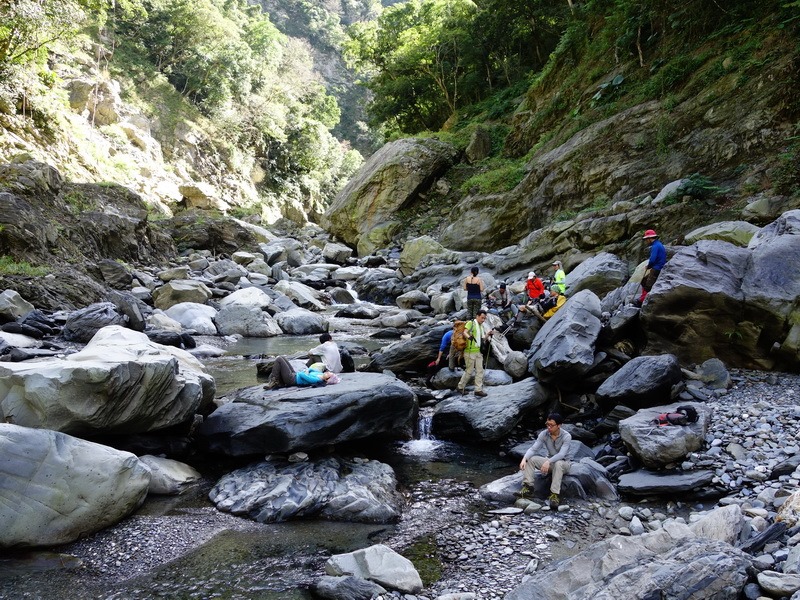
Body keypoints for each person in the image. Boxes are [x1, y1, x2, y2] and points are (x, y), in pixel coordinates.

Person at [518, 412, 572, 510]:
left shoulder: (566, 436)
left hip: (564, 463)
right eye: (547, 424)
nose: (549, 427)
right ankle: (528, 488)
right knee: (531, 459)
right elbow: (533, 449)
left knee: (559, 463)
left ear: (559, 425)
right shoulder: (544, 434)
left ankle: (554, 496)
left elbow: (561, 455)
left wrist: (548, 461)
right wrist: (524, 458)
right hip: (550, 462)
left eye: (551, 425)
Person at [457, 309, 493, 397]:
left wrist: (488, 334)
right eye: (482, 318)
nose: (483, 320)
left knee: (480, 370)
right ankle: (460, 387)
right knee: (469, 371)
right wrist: (469, 338)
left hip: (478, 351)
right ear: (477, 316)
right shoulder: (471, 323)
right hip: (469, 351)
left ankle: (478, 390)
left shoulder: (480, 327)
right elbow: (465, 332)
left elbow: (481, 339)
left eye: (484, 318)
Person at [634, 229, 667, 306]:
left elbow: (652, 259)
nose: (646, 241)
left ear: (649, 238)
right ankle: (642, 298)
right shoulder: (659, 244)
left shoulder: (655, 246)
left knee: (648, 285)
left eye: (646, 239)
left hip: (656, 268)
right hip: (661, 267)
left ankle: (641, 301)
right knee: (644, 280)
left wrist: (649, 266)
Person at [264, 356, 339, 389]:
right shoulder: (321, 374)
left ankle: (274, 381)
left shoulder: (317, 380)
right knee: (283, 358)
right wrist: (307, 371)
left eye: (329, 374)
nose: (328, 372)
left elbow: (303, 375)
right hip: (295, 375)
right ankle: (276, 380)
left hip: (292, 380)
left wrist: (305, 372)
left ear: (327, 379)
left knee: (279, 359)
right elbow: (311, 370)